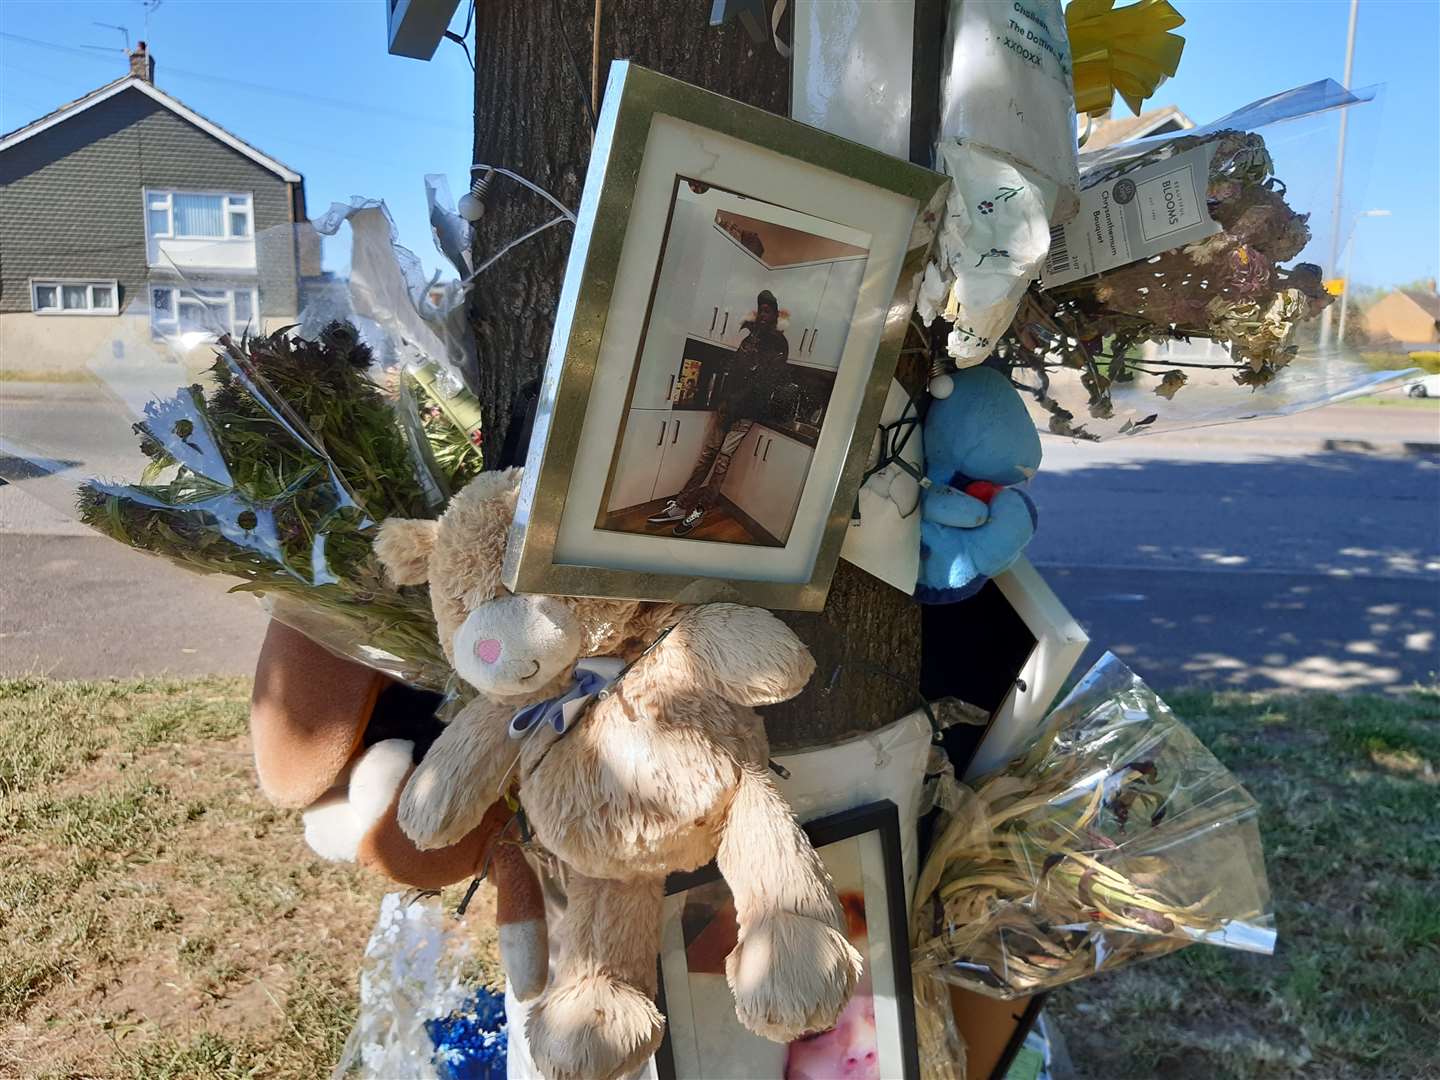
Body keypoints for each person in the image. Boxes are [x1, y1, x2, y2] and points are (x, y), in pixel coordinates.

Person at [648, 289, 790, 536]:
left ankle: (700, 510)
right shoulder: (749, 338)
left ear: (776, 315)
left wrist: (737, 400)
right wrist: (725, 399)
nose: (763, 315)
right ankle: (681, 505)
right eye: (761, 310)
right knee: (707, 456)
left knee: (722, 461)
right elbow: (736, 370)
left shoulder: (779, 344)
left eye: (768, 311)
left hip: (746, 412)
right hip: (727, 408)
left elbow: (767, 381)